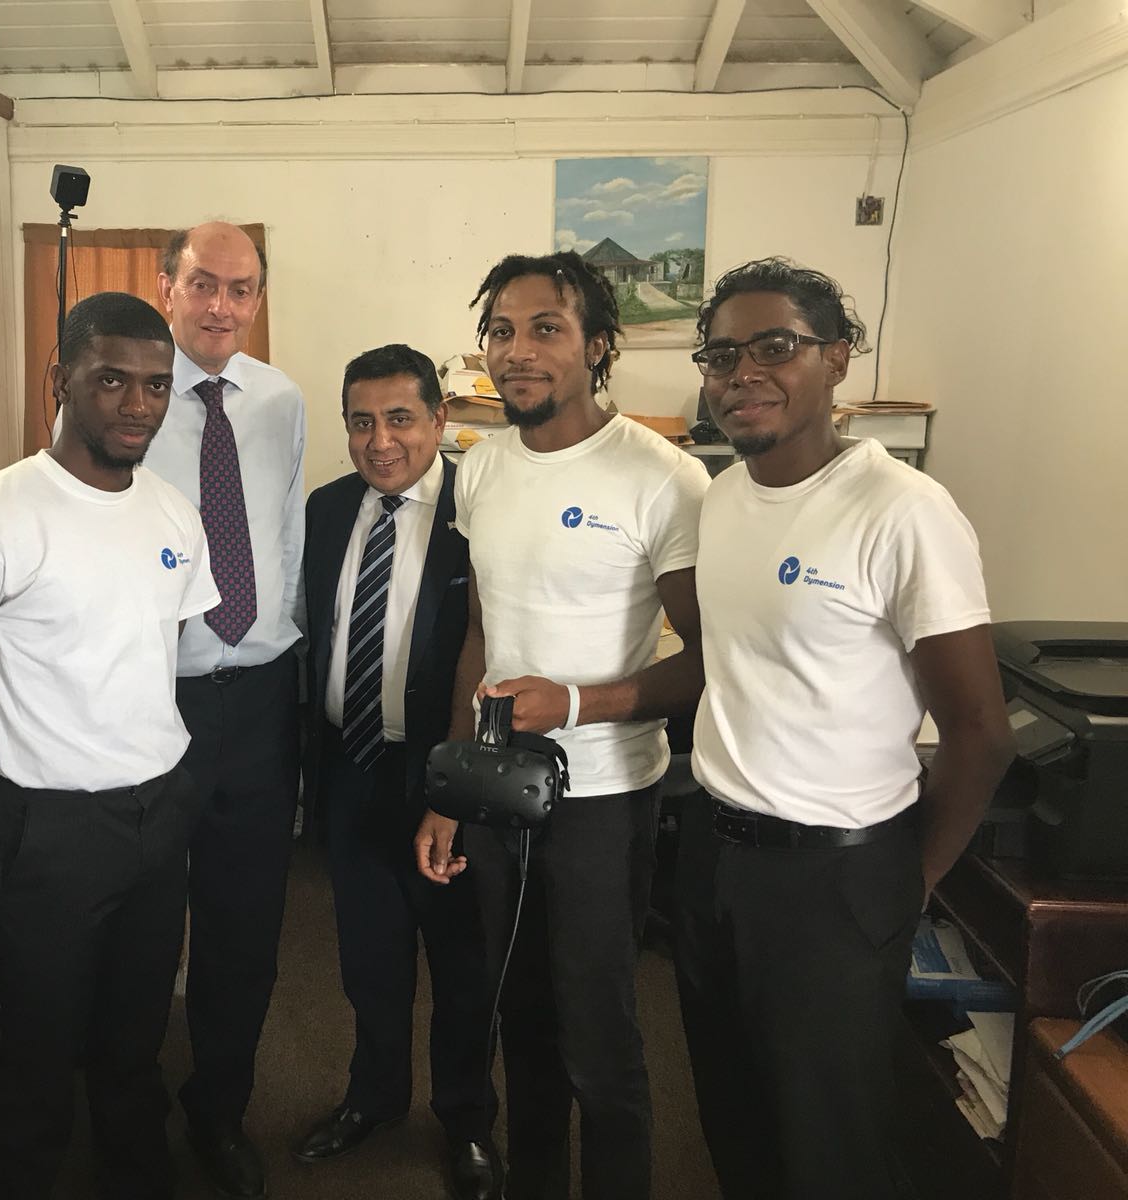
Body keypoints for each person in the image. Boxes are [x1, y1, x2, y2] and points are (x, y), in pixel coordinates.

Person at [674, 258, 1014, 1200]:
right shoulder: (726, 498)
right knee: (731, 1109)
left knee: (831, 1140)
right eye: (723, 354)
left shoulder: (902, 511)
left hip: (836, 874)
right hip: (715, 852)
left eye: (776, 347)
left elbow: (981, 733)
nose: (743, 373)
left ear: (838, 360)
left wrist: (903, 885)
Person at [415, 251, 710, 1200]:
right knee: (523, 1020)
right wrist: (451, 791)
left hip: (603, 796)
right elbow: (479, 638)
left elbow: (708, 663)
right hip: (500, 791)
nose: (517, 350)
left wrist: (581, 704)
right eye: (501, 330)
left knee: (600, 1036)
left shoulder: (664, 477)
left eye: (546, 328)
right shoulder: (482, 467)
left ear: (598, 345)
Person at [0, 291, 219, 1199]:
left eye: (156, 386)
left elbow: (155, 657)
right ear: (62, 381)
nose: (138, 405)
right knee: (39, 1052)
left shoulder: (172, 512)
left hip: (156, 811)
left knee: (135, 1040)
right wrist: (0, 827)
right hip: (45, 824)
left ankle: (139, 1177)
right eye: (111, 381)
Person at [296, 344, 502, 1198]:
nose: (381, 442)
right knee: (368, 958)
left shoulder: (479, 512)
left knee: (460, 965)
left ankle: (467, 1123)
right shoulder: (327, 508)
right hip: (351, 770)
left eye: (401, 419)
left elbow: (489, 652)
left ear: (440, 421)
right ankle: (373, 1097)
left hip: (442, 774)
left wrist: (451, 785)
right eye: (361, 421)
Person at [141, 221, 307, 1197]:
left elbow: (278, 529)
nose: (220, 307)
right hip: (154, 700)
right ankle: (128, 1117)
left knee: (244, 930)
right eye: (202, 284)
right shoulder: (124, 390)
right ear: (167, 286)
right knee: (146, 921)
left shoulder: (280, 400)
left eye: (240, 290)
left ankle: (219, 1112)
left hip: (258, 702)